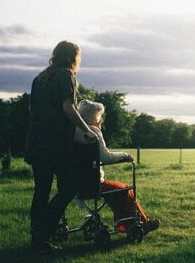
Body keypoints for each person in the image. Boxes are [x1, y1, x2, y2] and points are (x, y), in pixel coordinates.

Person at [24, 41, 97, 253]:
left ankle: (38, 239)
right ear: (73, 57)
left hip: (36, 142)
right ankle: (44, 230)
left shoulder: (40, 78)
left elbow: (34, 110)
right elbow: (68, 107)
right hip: (55, 144)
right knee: (70, 187)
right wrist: (86, 129)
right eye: (79, 57)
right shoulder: (66, 75)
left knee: (42, 191)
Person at [74, 99, 160, 235]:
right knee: (125, 190)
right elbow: (106, 157)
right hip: (93, 183)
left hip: (75, 183)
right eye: (100, 116)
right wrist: (125, 155)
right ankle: (140, 223)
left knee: (116, 191)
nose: (101, 119)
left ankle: (125, 223)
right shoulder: (93, 131)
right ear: (94, 117)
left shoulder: (73, 132)